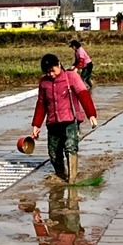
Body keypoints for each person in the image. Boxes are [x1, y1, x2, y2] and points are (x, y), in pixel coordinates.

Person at [31, 53, 97, 183]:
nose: (51, 74)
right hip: (53, 122)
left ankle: (72, 179)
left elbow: (83, 94)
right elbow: (41, 104)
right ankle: (61, 174)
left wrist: (91, 114)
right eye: (47, 72)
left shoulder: (70, 77)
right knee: (54, 153)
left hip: (70, 119)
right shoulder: (44, 83)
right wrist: (36, 125)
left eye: (53, 70)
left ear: (59, 64)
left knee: (70, 146)